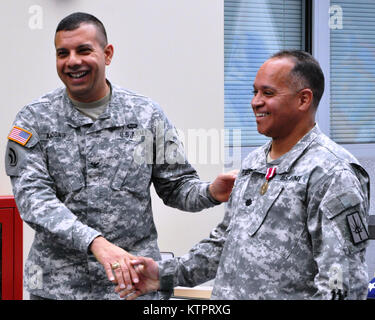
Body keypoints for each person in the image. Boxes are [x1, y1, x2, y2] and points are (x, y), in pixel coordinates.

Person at [4, 12, 236, 300]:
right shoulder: (33, 120)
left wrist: (210, 192)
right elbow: (34, 200)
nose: (72, 61)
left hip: (134, 286)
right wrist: (96, 243)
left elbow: (176, 186)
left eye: (84, 50)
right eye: (62, 53)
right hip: (59, 289)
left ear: (107, 53)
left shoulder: (146, 115)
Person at [117, 50, 371, 300]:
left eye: (268, 93)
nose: (255, 102)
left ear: (304, 100)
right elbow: (224, 244)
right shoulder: (254, 163)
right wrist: (162, 275)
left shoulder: (332, 172)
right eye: (255, 92)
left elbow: (342, 283)